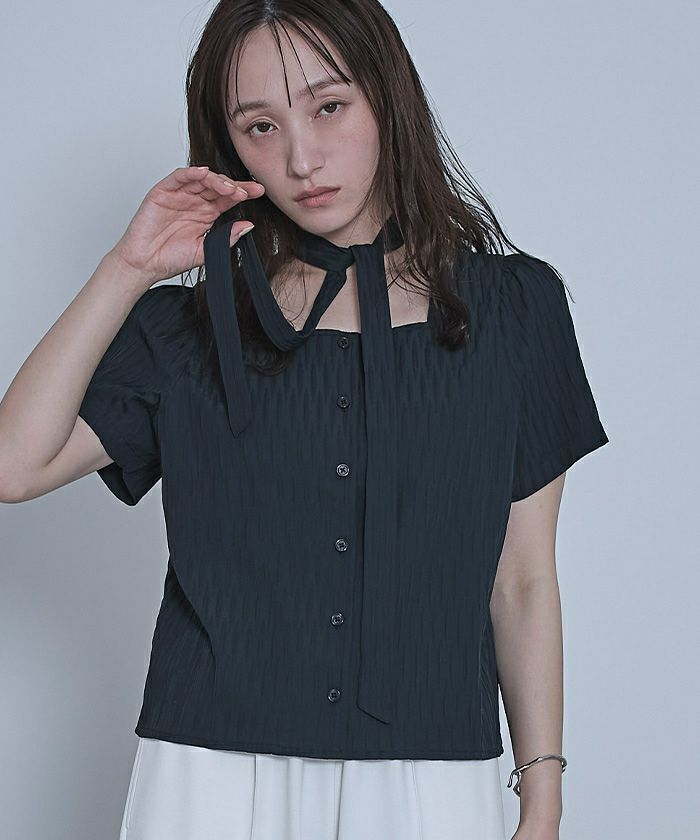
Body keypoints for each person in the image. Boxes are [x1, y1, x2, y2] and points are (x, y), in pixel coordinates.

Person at [0, 2, 610, 839]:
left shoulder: (514, 310)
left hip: (427, 774)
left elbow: (523, 576)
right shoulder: (186, 329)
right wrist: (128, 267)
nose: (301, 158)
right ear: (229, 145)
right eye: (260, 126)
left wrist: (541, 796)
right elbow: (14, 467)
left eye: (329, 107)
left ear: (386, 98)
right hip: (209, 777)